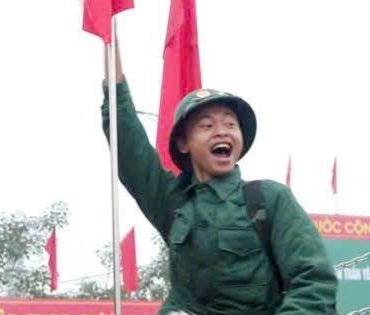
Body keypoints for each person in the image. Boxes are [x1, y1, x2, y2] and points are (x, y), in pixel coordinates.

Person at [101, 42, 338, 315]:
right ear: (183, 143)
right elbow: (129, 146)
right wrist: (111, 44)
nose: (221, 132)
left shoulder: (269, 200)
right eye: (207, 126)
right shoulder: (172, 202)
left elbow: (313, 282)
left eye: (230, 124)